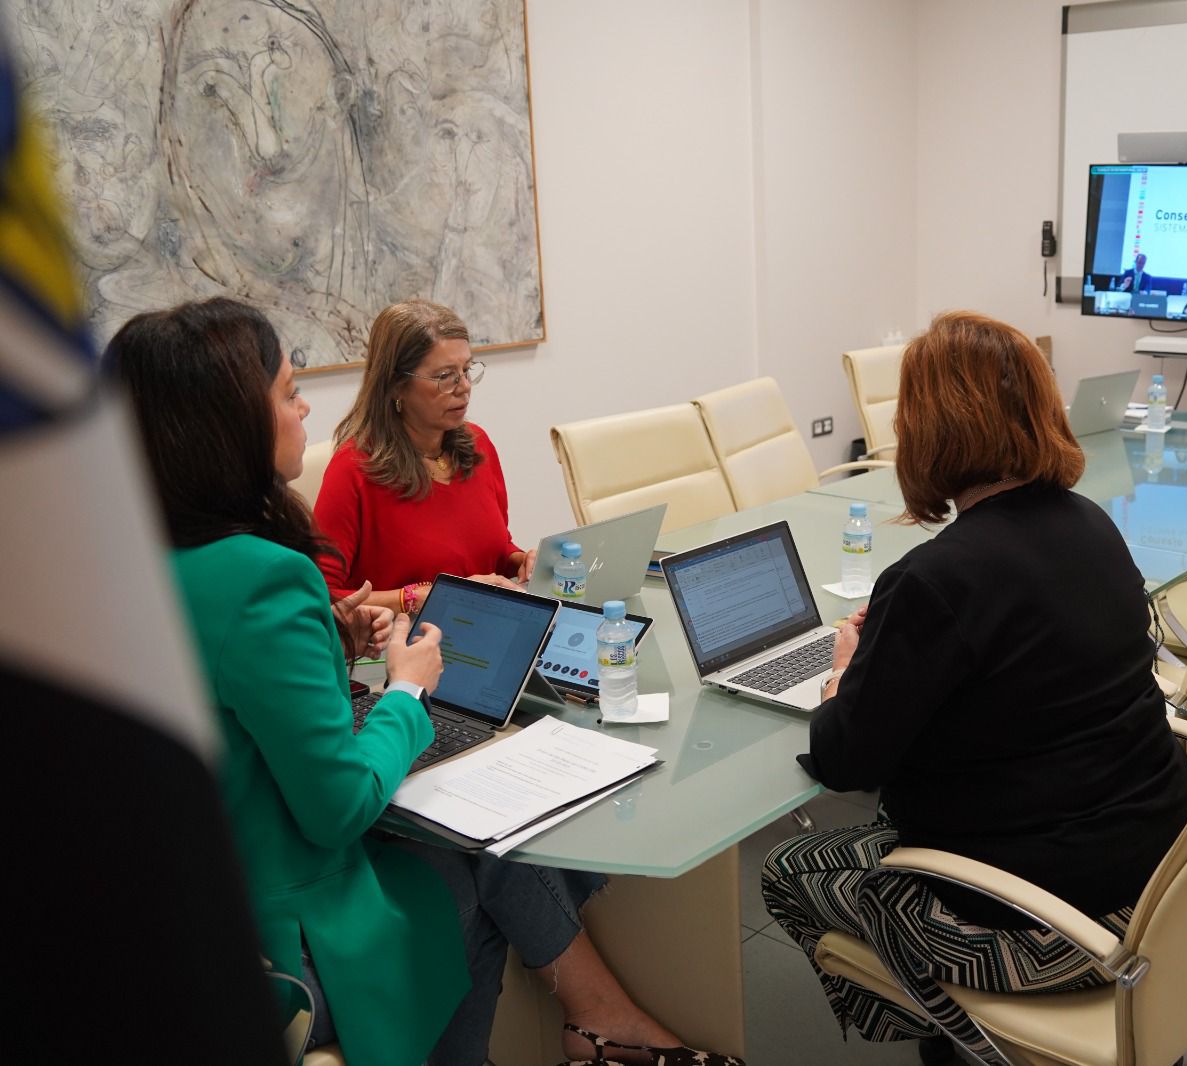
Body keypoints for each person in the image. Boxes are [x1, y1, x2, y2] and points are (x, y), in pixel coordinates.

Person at [104, 298, 734, 1066]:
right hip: (282, 942)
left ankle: (597, 1022)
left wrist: (331, 641)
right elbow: (337, 808)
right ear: (227, 424)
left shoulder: (121, 560)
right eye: (290, 392)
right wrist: (405, 690)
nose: (305, 410)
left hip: (176, 915)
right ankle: (596, 1022)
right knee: (480, 860)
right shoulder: (264, 575)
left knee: (477, 840)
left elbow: (228, 692)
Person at [760, 311, 1187, 1061]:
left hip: (1048, 930)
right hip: (1169, 887)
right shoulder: (1092, 525)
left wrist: (842, 674)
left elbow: (844, 762)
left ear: (926, 430)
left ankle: (953, 1034)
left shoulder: (933, 580)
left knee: (785, 870)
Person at [314, 299, 530, 613]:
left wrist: (521, 561)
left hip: (482, 626)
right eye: (445, 376)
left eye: (466, 370)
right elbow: (324, 597)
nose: (464, 387)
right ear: (396, 386)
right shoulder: (354, 469)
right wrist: (414, 599)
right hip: (405, 638)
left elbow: (494, 550)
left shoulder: (478, 444)